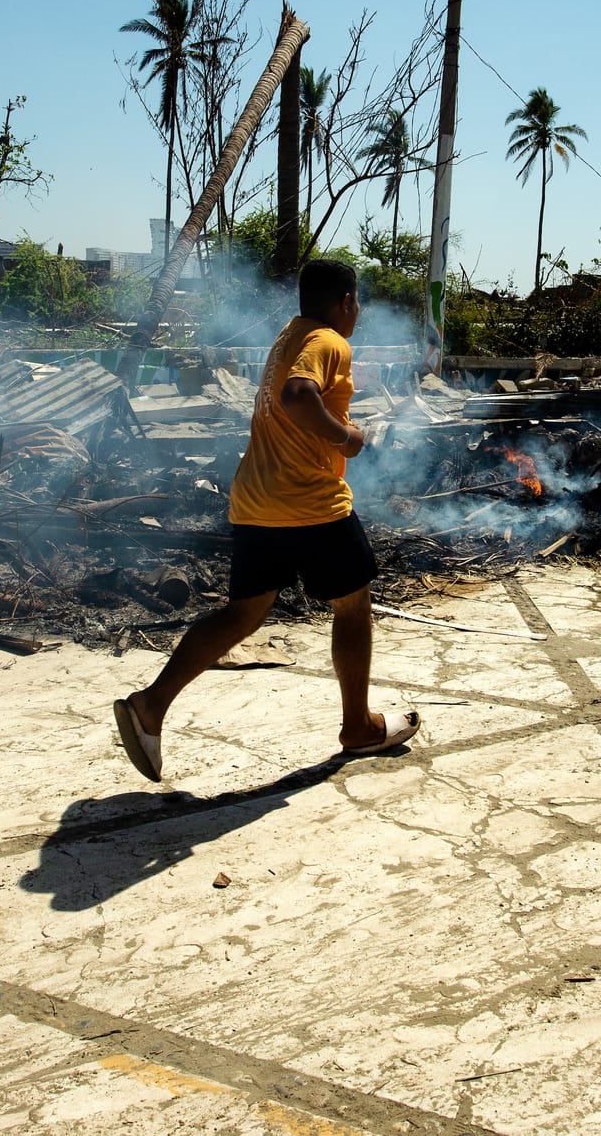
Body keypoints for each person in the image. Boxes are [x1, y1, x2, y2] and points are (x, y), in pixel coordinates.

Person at [113, 258, 420, 781]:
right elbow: (298, 396)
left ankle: (151, 705)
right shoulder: (328, 341)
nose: (359, 311)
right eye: (357, 301)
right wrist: (347, 437)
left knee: (243, 615)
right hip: (310, 502)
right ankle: (358, 728)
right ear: (345, 301)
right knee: (352, 605)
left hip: (256, 499)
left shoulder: (288, 335)